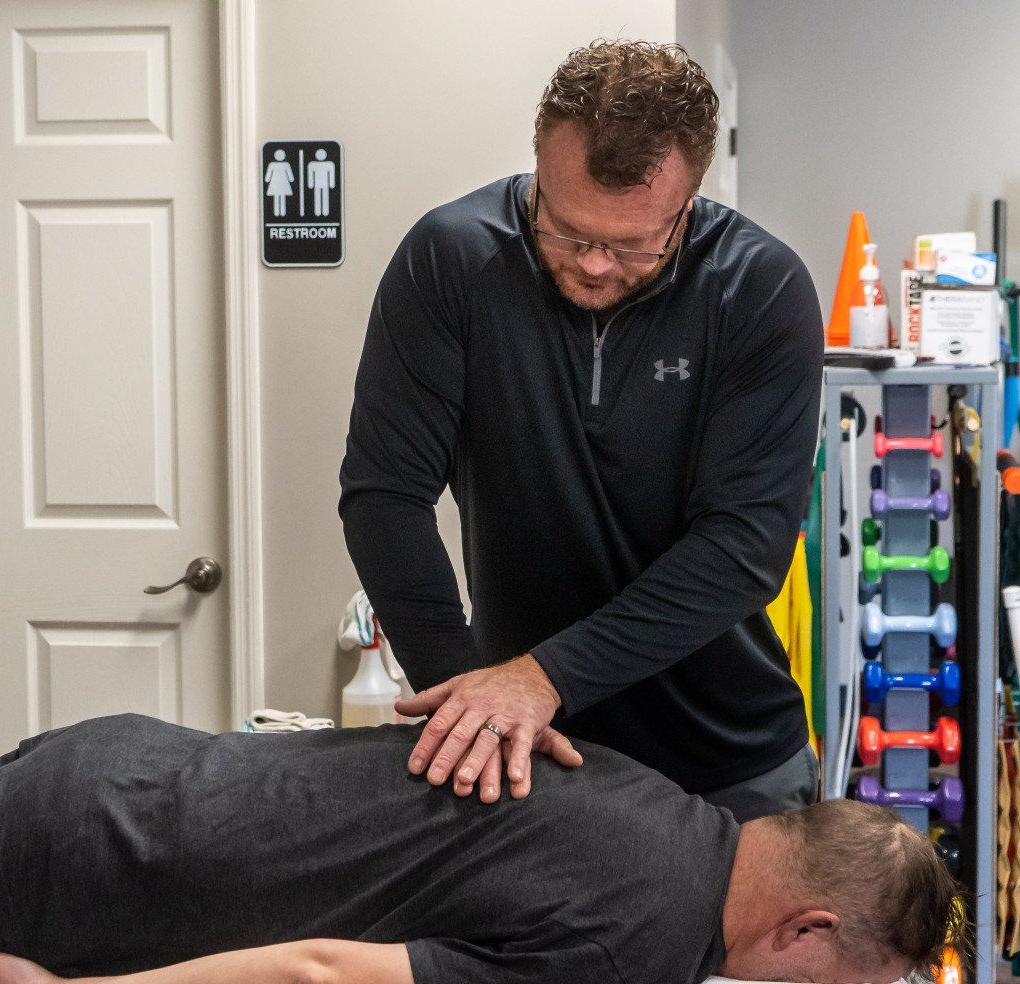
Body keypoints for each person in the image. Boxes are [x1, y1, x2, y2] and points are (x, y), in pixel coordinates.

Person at [0, 713, 961, 984]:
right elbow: (323, 974)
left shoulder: (653, 799)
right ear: (809, 930)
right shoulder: (640, 948)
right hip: (87, 867)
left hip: (112, 771)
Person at [341, 40, 824, 820]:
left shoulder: (758, 290)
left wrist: (544, 678)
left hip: (725, 758)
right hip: (517, 751)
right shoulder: (452, 260)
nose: (595, 264)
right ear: (539, 162)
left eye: (632, 243)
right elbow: (385, 495)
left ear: (690, 200)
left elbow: (744, 546)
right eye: (566, 231)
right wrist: (466, 701)